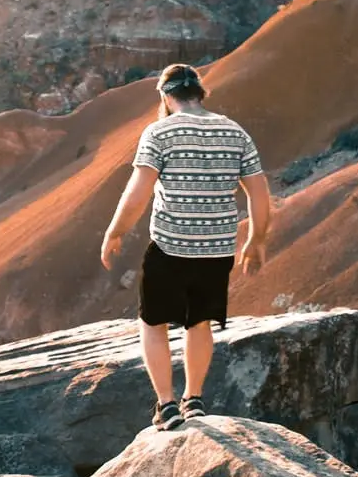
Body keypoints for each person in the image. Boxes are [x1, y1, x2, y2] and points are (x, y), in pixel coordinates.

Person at [99, 63, 271, 432]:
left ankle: (166, 404)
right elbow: (258, 192)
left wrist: (115, 231)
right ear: (200, 93)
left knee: (152, 322)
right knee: (198, 322)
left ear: (165, 95)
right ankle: (194, 399)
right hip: (217, 248)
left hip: (170, 245)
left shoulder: (159, 132)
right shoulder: (234, 131)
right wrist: (255, 240)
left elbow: (138, 192)